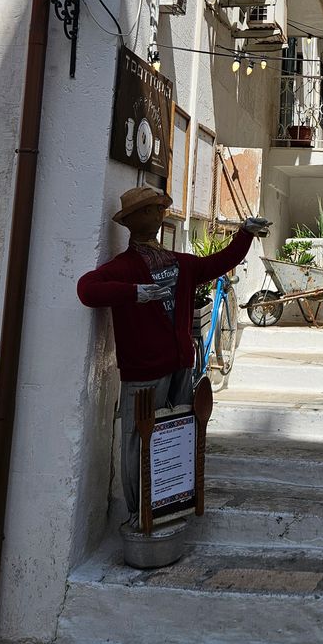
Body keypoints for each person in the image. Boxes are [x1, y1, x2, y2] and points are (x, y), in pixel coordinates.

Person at [77, 185, 270, 521]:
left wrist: (244, 236)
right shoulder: (123, 268)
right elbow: (87, 289)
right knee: (139, 441)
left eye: (158, 209)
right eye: (151, 209)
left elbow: (218, 263)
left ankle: (171, 504)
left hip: (181, 366)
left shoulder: (178, 263)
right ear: (134, 219)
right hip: (145, 373)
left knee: (179, 434)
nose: (158, 214)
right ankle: (141, 512)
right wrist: (135, 293)